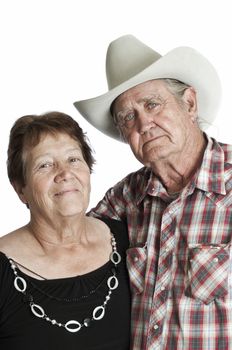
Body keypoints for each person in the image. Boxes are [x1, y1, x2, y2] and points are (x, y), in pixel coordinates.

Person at [74, 35, 232, 349]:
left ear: (189, 103)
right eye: (128, 117)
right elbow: (67, 242)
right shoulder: (124, 198)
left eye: (152, 104)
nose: (143, 124)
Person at [0, 111, 131, 350]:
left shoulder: (128, 241)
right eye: (45, 165)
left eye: (73, 159)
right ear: (21, 188)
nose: (64, 173)